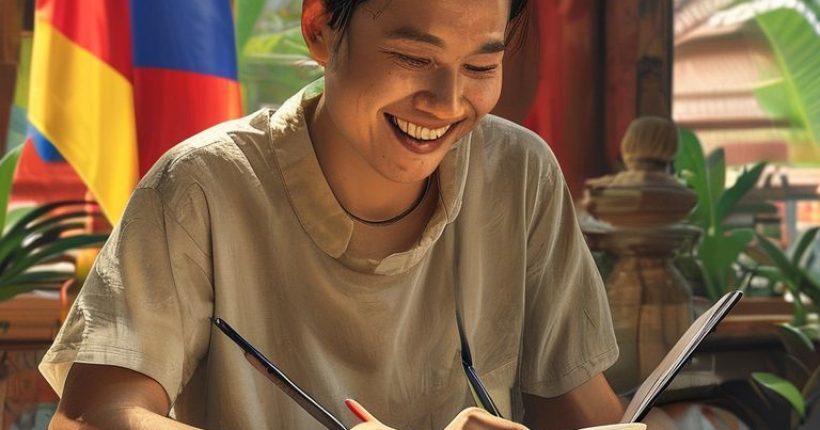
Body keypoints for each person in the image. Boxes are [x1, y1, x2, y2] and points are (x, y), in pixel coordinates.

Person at [41, 0, 625, 428]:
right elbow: (93, 416)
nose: (447, 102)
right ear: (320, 28)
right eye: (412, 57)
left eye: (480, 68)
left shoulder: (519, 173)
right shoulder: (202, 184)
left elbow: (579, 407)